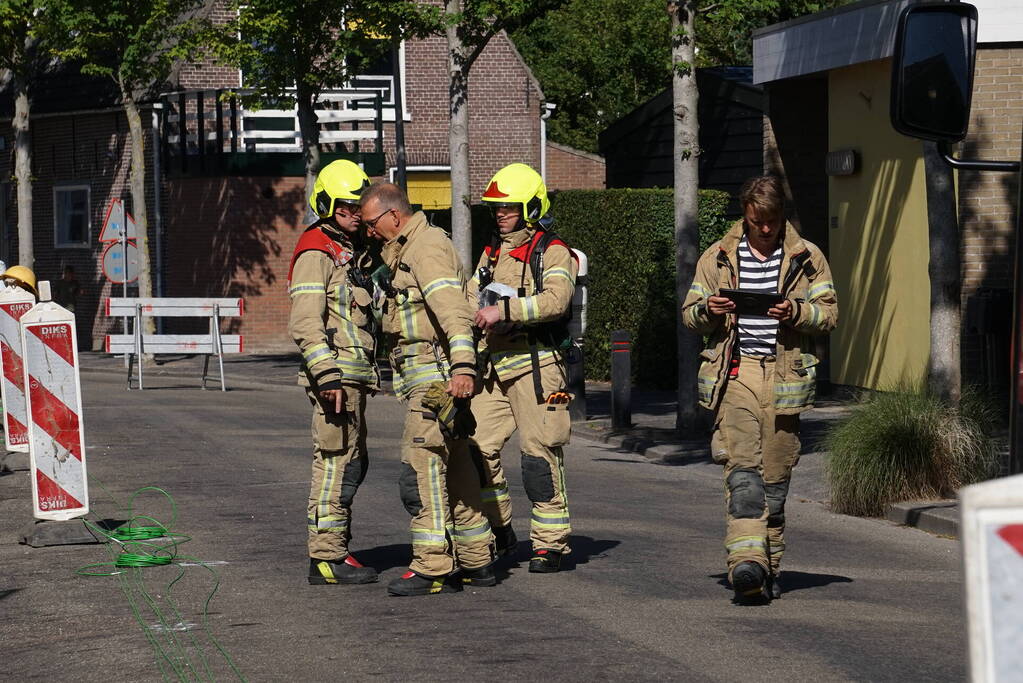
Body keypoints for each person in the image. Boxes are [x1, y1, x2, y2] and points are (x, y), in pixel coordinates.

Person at [681, 175, 838, 603]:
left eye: (771, 221)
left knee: (775, 482)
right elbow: (689, 315)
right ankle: (745, 565)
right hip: (736, 373)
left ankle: (768, 566)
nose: (764, 229)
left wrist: (797, 312)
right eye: (756, 222)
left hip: (785, 377)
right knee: (744, 475)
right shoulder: (718, 257)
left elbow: (829, 315)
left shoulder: (808, 258)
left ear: (781, 215)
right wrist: (708, 309)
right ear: (745, 216)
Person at [360, 182, 495, 596]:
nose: (367, 231)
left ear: (393, 216)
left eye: (371, 223)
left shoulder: (425, 249)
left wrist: (463, 368)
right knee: (456, 467)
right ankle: (477, 560)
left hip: (436, 380)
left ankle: (433, 565)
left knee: (419, 469)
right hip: (437, 379)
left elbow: (453, 312)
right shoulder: (409, 247)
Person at [469, 163, 577, 573]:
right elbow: (474, 296)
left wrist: (506, 310)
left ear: (531, 207)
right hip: (494, 368)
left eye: (508, 208)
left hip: (538, 367)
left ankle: (550, 545)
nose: (500, 215)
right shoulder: (492, 250)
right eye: (496, 208)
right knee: (476, 449)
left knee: (538, 455)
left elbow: (556, 301)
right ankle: (501, 530)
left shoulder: (553, 251)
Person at [288, 160, 379, 586]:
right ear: (326, 204)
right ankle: (325, 558)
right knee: (335, 464)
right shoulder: (316, 249)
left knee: (350, 462)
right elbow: (306, 320)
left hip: (351, 378)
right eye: (345, 206)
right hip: (335, 380)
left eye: (358, 205)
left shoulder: (348, 248)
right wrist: (327, 376)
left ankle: (336, 550)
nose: (355, 213)